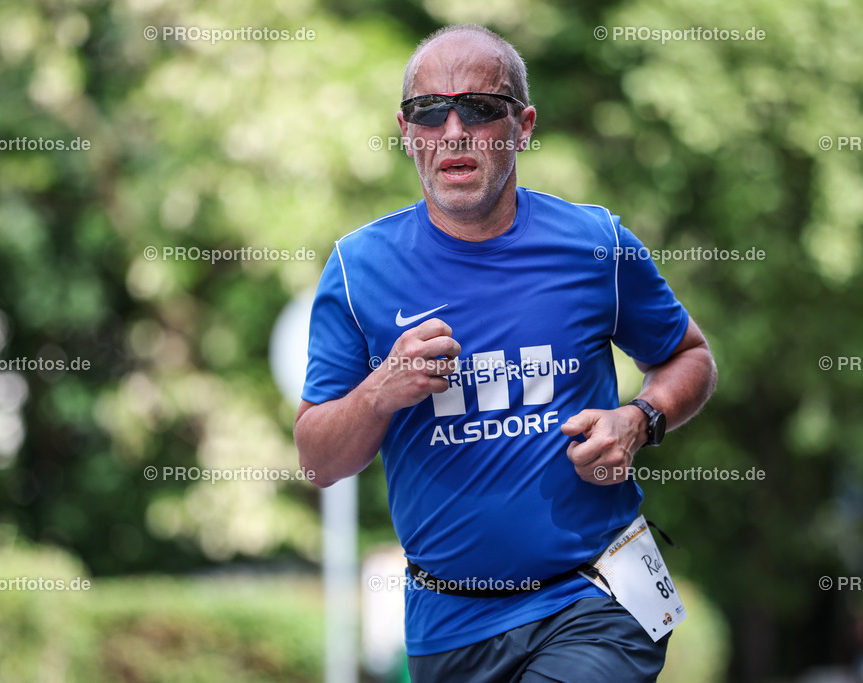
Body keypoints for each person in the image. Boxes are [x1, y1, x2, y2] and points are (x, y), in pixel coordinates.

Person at [295, 23, 717, 682]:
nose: (454, 131)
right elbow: (318, 460)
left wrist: (639, 419)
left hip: (595, 594)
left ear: (523, 126)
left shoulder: (594, 243)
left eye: (481, 109)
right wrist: (382, 389)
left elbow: (691, 356)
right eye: (430, 112)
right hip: (448, 622)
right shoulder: (358, 269)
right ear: (406, 133)